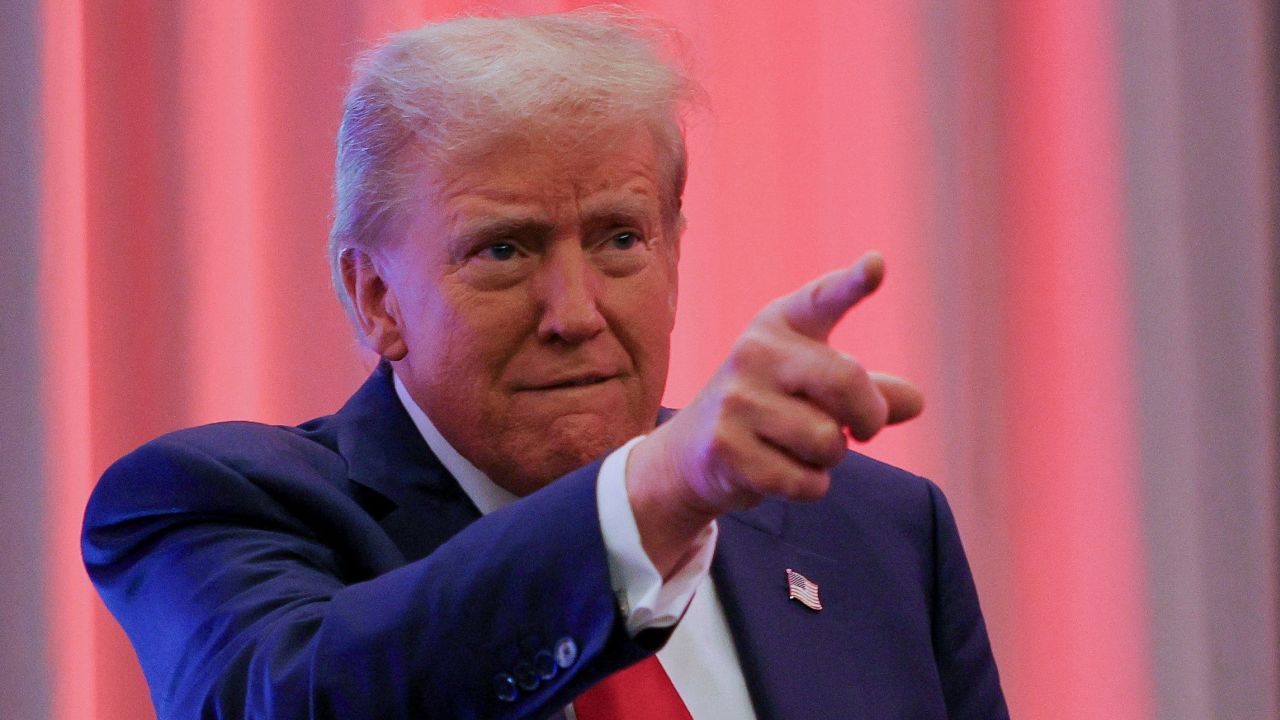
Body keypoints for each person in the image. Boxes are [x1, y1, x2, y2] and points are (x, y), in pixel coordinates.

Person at [83, 8, 1008, 720]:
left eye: (619, 239)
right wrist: (648, 502)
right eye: (504, 250)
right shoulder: (207, 505)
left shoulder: (875, 531)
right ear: (375, 298)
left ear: (675, 249)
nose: (576, 313)